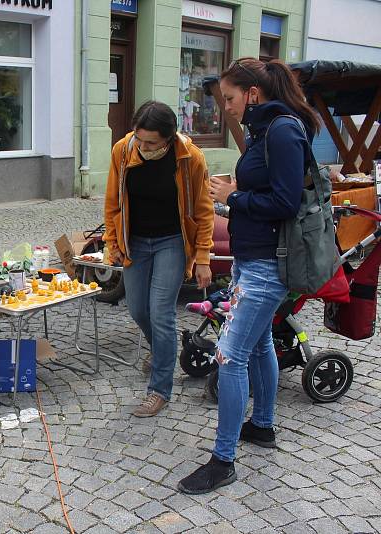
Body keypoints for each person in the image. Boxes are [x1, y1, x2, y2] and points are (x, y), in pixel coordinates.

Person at [177, 58, 321, 494]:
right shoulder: (264, 130)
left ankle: (223, 461)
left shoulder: (283, 130)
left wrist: (235, 196)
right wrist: (230, 198)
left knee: (230, 355)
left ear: (253, 94)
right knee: (258, 346)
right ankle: (262, 426)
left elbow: (285, 202)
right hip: (252, 257)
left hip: (268, 266)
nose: (227, 108)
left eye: (230, 98)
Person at [103, 101, 214, 418]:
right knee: (138, 308)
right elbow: (112, 203)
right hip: (135, 241)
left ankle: (160, 389)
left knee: (161, 312)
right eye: (140, 139)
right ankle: (163, 348)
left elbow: (204, 212)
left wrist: (203, 256)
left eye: (152, 142)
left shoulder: (190, 158)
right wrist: (114, 242)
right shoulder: (124, 151)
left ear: (168, 139)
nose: (143, 146)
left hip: (172, 241)